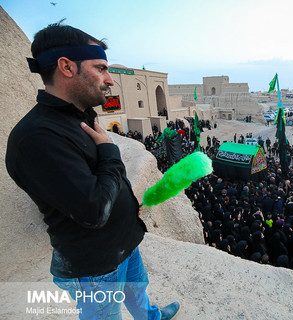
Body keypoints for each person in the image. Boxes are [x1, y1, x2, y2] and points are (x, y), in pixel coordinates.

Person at [5, 23, 179, 320]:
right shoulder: (36, 138)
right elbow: (94, 210)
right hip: (96, 264)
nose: (110, 80)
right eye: (100, 68)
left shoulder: (79, 118)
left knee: (137, 291)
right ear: (66, 67)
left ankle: (151, 317)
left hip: (123, 243)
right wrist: (109, 151)